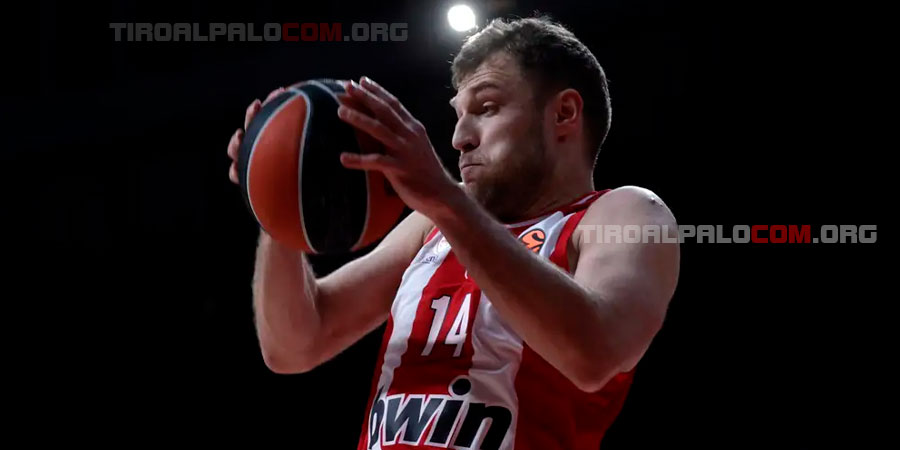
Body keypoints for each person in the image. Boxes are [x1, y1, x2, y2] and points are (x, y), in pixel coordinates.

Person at [225, 16, 680, 450]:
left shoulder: (627, 213)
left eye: (486, 108)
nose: (460, 137)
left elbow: (594, 353)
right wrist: (279, 200)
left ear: (563, 113)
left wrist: (444, 199)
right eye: (458, 115)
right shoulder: (435, 221)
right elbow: (294, 346)